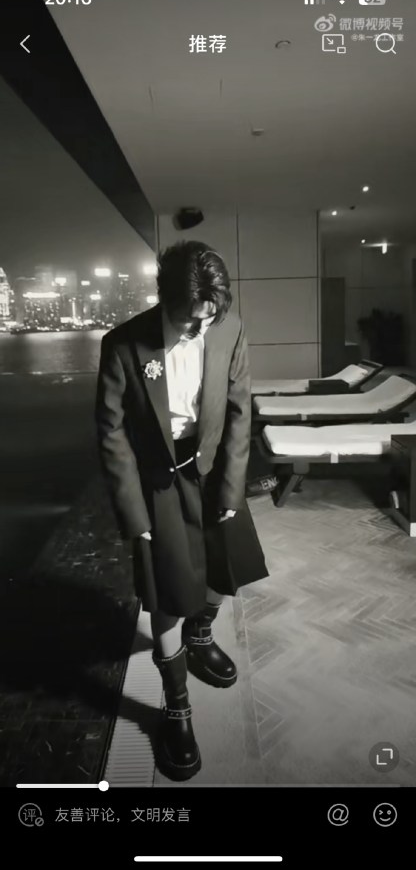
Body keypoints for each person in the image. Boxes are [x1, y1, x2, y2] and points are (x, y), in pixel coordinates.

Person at [95, 240, 269, 780]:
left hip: (214, 467)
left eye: (209, 317)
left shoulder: (229, 329)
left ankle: (201, 637)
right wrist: (134, 514)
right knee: (167, 594)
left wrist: (232, 488)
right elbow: (111, 433)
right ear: (164, 299)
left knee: (227, 569)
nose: (201, 328)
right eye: (190, 319)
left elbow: (240, 412)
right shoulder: (123, 344)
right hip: (159, 480)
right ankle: (176, 706)